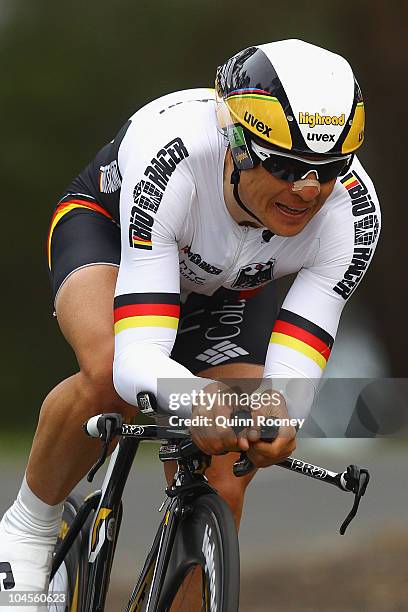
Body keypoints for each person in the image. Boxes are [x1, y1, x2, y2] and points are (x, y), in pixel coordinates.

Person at [0, 38, 380, 607]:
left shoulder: (354, 214)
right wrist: (193, 400)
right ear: (237, 142)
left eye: (328, 168)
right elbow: (136, 360)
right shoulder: (174, 158)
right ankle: (28, 529)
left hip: (233, 283)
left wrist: (275, 416)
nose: (307, 188)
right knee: (106, 376)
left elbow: (290, 380)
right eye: (284, 163)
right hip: (115, 234)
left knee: (234, 456)